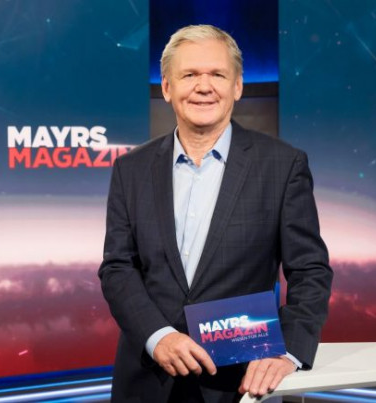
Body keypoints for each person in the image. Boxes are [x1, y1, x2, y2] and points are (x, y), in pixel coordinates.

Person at [98, 24, 333, 402]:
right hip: (147, 380)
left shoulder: (283, 165)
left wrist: (288, 351)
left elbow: (310, 270)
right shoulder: (131, 168)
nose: (204, 86)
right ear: (167, 87)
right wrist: (159, 337)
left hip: (240, 383)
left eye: (218, 75)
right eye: (189, 74)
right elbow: (117, 268)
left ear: (237, 86)